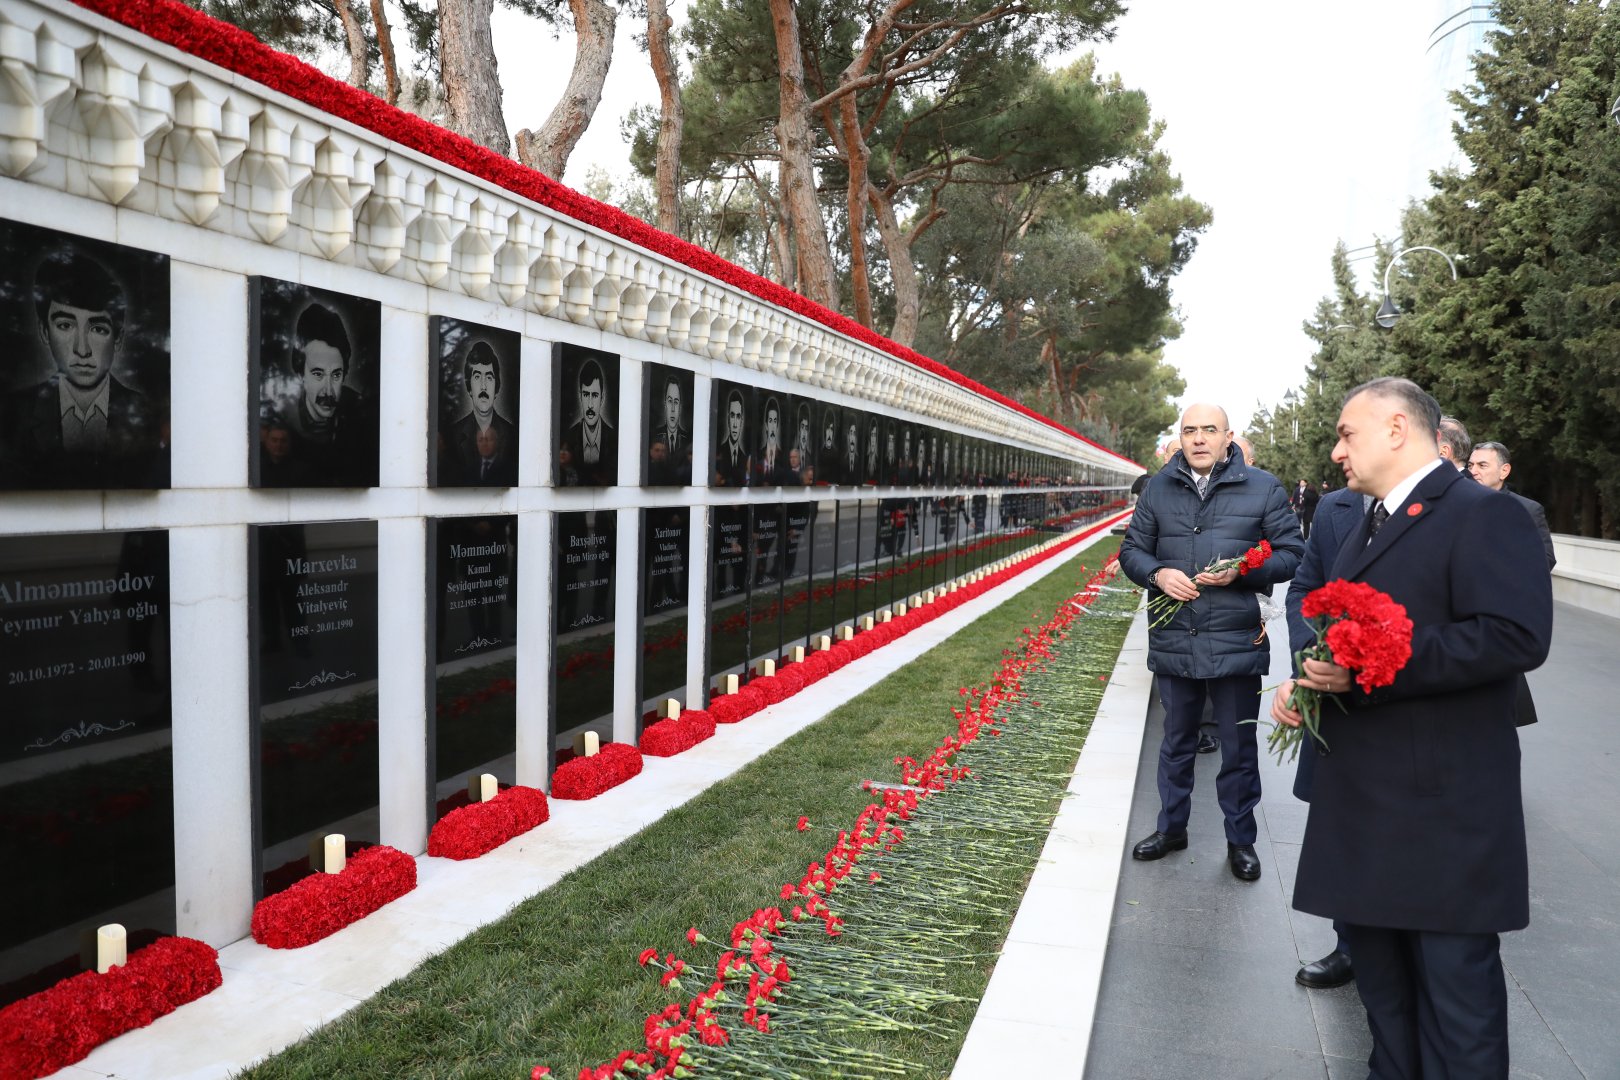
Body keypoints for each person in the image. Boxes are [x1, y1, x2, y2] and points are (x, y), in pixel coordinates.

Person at [1271, 377, 1552, 1076]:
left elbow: (1515, 637)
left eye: (1347, 433)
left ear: (1397, 429)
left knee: (1457, 1005)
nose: (1337, 451)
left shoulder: (1486, 515)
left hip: (1441, 810)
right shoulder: (1363, 519)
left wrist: (1374, 666)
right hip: (1368, 805)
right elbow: (1343, 626)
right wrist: (1312, 677)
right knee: (1385, 1001)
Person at [1119, 403, 1304, 881]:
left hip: (1236, 640)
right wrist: (1158, 574)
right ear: (1180, 438)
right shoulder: (1158, 488)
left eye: (1209, 430)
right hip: (1176, 636)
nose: (1199, 438)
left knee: (1238, 749)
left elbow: (1290, 556)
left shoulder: (1263, 488)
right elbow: (1131, 551)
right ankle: (1170, 828)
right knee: (1176, 742)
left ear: (1228, 437)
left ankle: (1241, 842)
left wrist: (1241, 570)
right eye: (1189, 430)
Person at [1283, 481, 1370, 990]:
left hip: (1409, 706)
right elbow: (1304, 588)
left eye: (1349, 435)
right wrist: (1312, 655)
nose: (1339, 453)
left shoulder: (1469, 512)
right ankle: (1350, 944)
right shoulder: (1337, 506)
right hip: (1334, 697)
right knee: (1342, 822)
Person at [5, 246, 166, 488]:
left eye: (98, 329)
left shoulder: (144, 413)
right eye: (65, 326)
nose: (82, 349)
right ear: (44, 332)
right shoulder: (15, 411)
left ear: (118, 339)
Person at [277, 300, 370, 486]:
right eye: (318, 374)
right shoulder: (284, 421)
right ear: (300, 371)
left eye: (336, 375)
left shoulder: (362, 417)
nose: (328, 390)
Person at [1468, 441, 1555, 569]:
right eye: (1470, 466)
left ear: (1504, 471)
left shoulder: (1528, 509)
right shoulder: (1457, 504)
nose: (1473, 471)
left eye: (1482, 465)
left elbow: (1546, 560)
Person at [441, 340, 517, 486]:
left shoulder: (511, 432)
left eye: (489, 378)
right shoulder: (454, 434)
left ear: (497, 386)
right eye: (477, 377)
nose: (483, 386)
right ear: (469, 387)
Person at [560, 356, 616, 485]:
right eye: (586, 395)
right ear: (580, 396)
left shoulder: (612, 435)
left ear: (602, 397)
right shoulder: (571, 434)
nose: (590, 404)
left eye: (595, 395)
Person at [649, 374, 691, 485]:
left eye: (676, 402)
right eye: (669, 401)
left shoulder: (686, 437)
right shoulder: (654, 431)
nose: (673, 408)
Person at [714, 388, 749, 487]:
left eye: (738, 416)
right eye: (732, 416)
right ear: (728, 418)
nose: (734, 424)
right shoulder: (721, 447)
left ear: (742, 420)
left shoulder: (744, 451)